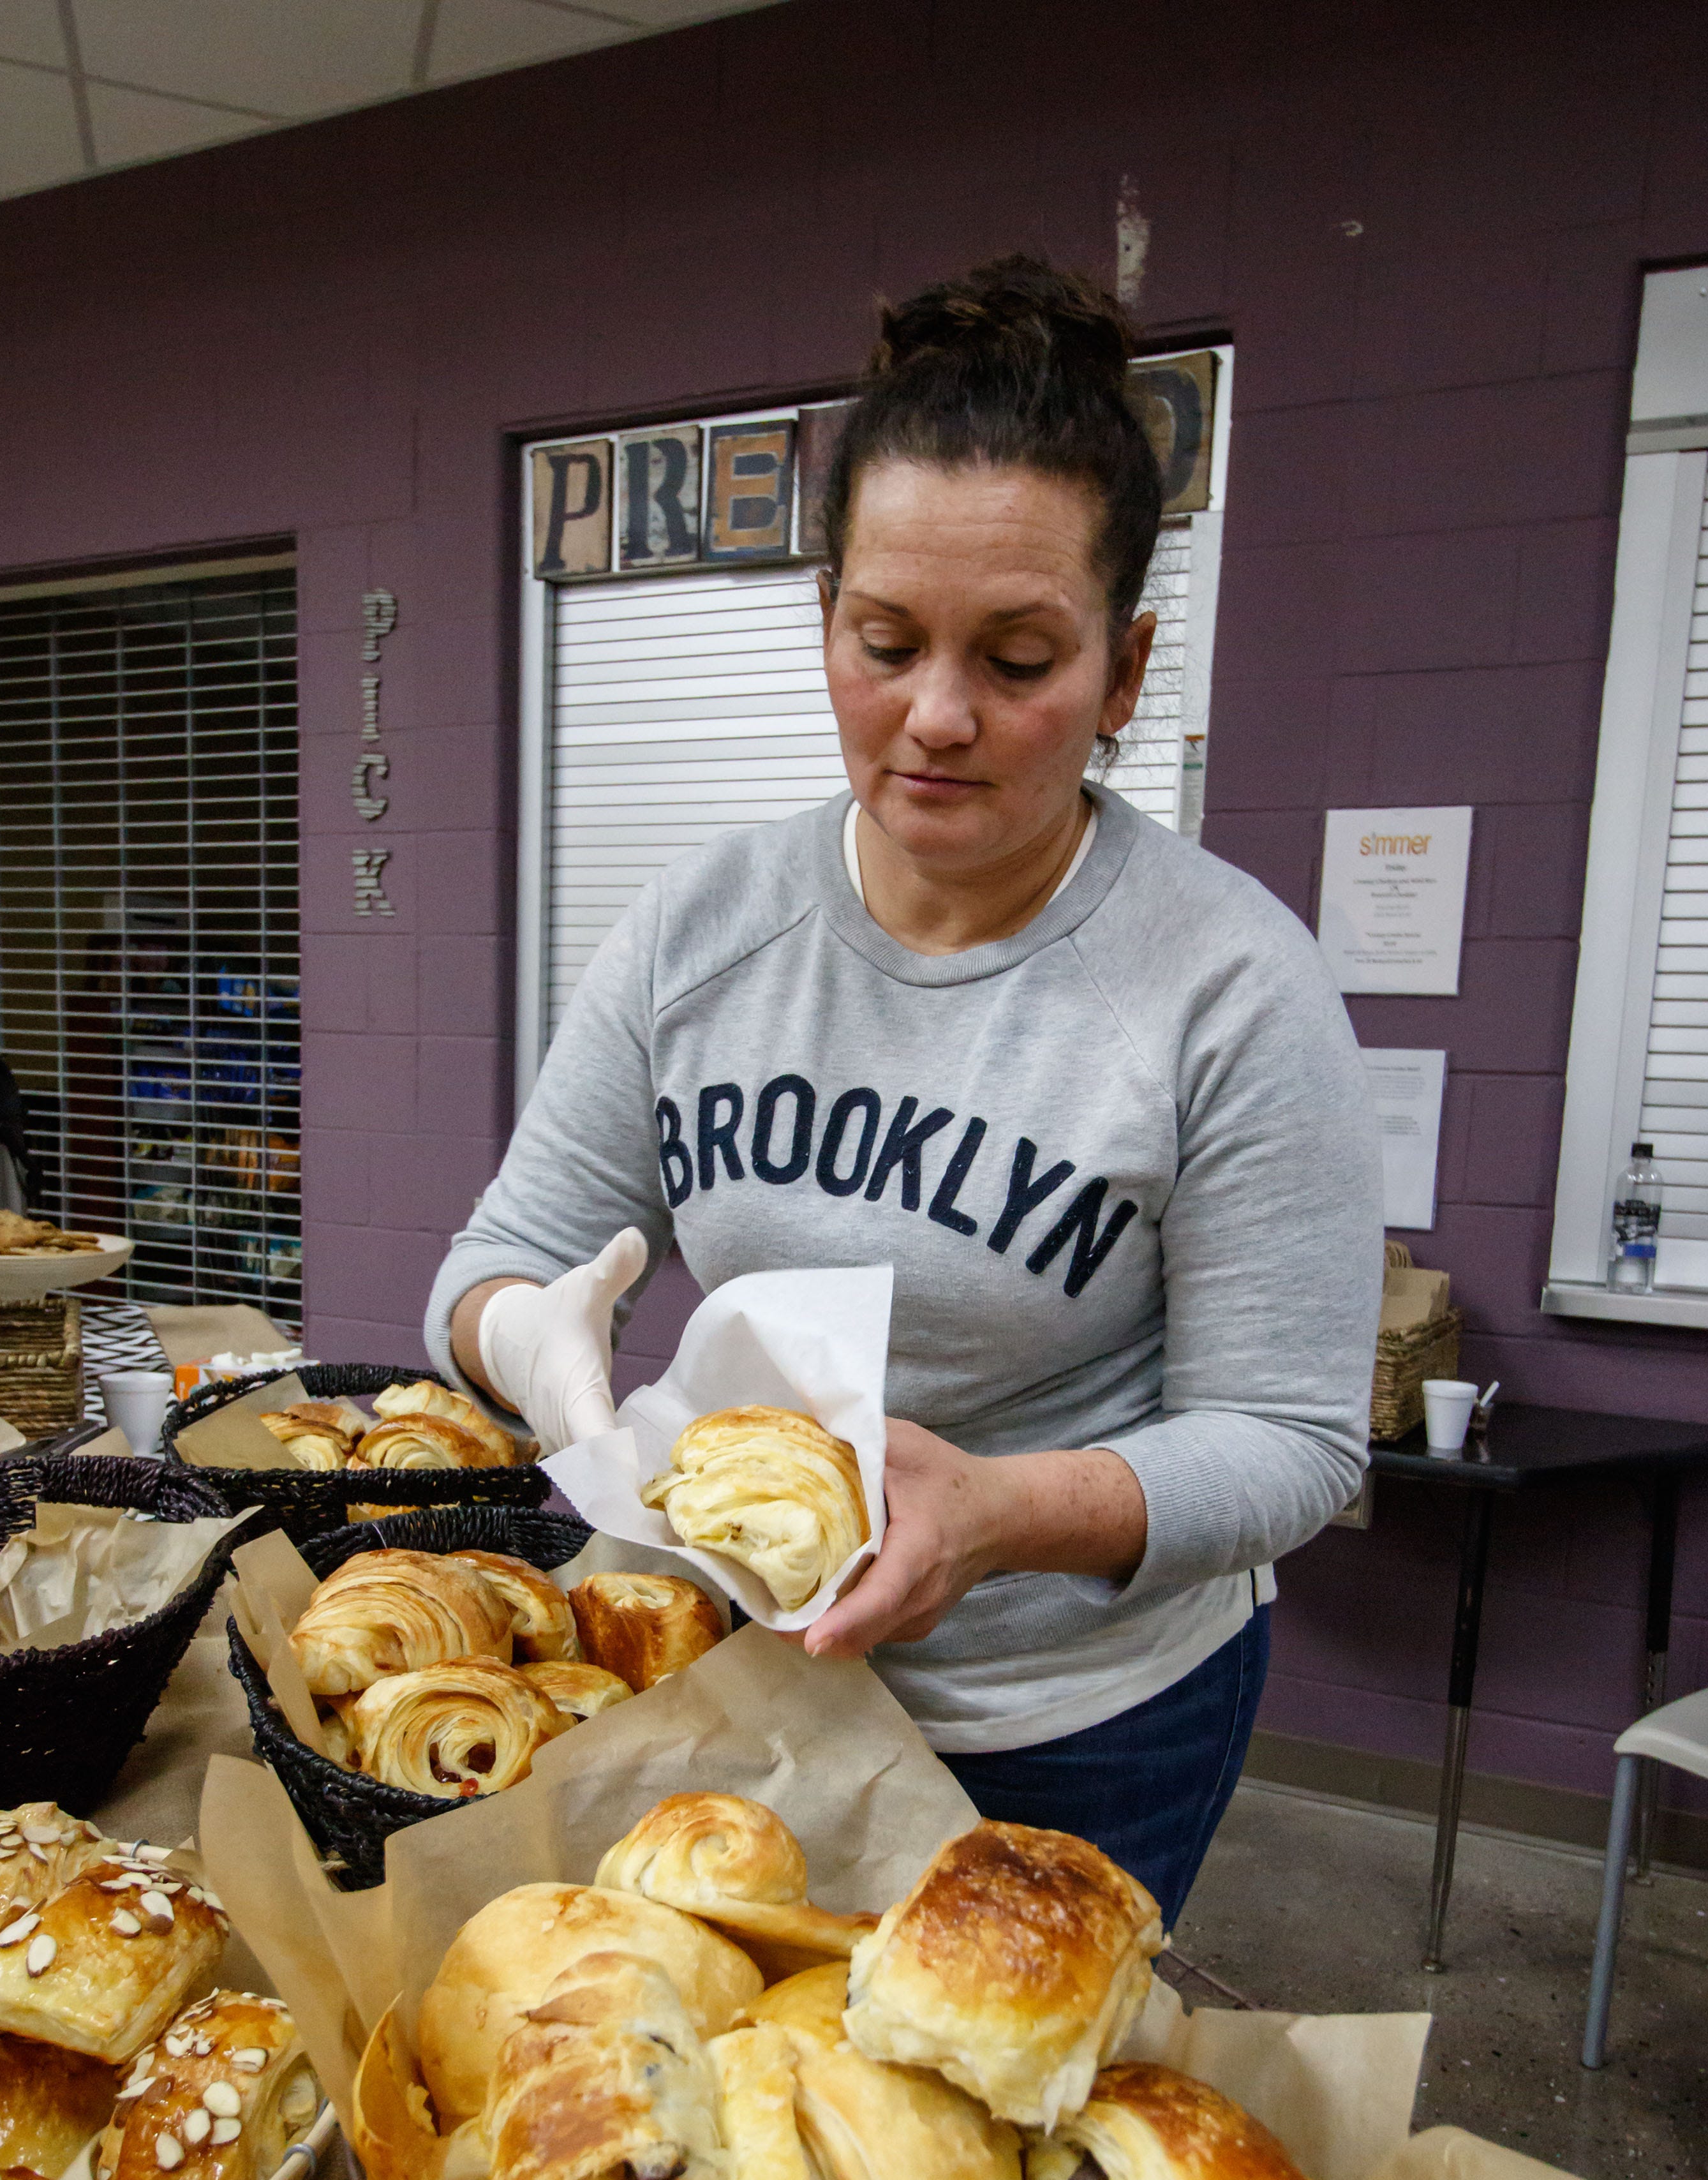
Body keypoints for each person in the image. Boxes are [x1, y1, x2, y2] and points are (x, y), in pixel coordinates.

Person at [426, 255, 1383, 1928]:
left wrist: (1003, 1514)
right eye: (884, 641)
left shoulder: (1226, 984)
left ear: (1127, 668)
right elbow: (494, 1262)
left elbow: (1293, 1442)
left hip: (1072, 1726)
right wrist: (532, 1340)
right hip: (737, 1674)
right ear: (827, 621)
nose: (933, 717)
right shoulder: (703, 927)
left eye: (1017, 658)